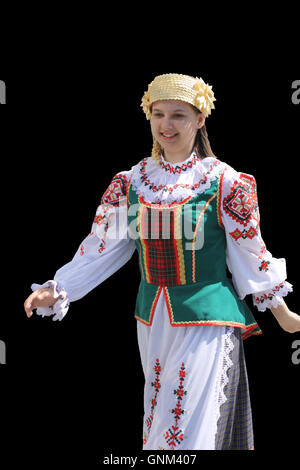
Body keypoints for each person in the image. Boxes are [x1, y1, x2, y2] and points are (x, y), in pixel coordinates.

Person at [24, 73, 300, 450]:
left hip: (208, 315)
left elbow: (249, 250)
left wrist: (282, 312)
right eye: (158, 114)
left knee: (181, 426)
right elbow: (101, 246)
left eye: (178, 116)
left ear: (200, 119)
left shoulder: (223, 182)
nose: (165, 125)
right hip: (153, 317)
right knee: (158, 415)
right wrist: (60, 288)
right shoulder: (132, 181)